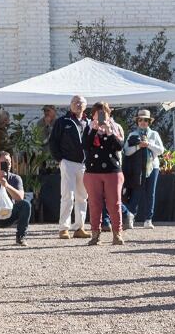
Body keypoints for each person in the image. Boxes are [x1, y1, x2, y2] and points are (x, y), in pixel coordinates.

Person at [80, 101, 127, 245]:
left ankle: (117, 234)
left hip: (112, 171)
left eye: (103, 113)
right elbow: (85, 146)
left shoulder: (115, 127)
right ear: (92, 115)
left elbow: (119, 146)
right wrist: (94, 129)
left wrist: (109, 131)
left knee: (114, 204)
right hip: (93, 171)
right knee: (94, 204)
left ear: (109, 114)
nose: (100, 116)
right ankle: (95, 234)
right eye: (97, 113)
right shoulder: (89, 127)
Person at [49, 96, 89, 239]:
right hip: (68, 163)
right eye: (75, 102)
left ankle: (79, 227)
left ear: (85, 105)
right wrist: (60, 159)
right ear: (70, 105)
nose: (77, 104)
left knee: (82, 197)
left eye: (80, 102)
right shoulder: (62, 121)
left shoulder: (88, 122)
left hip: (84, 165)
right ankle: (64, 228)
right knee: (67, 195)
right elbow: (53, 142)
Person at [123, 109, 166, 228]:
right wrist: (138, 146)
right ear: (137, 121)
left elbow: (161, 151)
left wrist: (148, 145)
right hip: (137, 168)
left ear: (149, 122)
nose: (143, 122)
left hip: (153, 167)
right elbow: (126, 151)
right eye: (140, 120)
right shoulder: (133, 135)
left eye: (145, 120)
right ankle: (130, 217)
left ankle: (148, 219)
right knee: (136, 192)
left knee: (150, 193)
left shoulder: (154, 134)